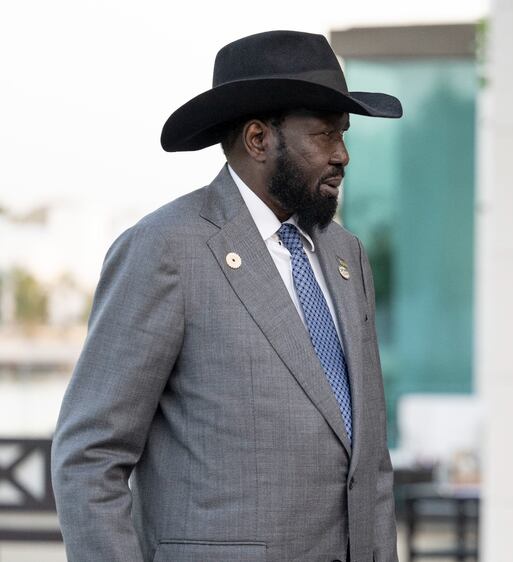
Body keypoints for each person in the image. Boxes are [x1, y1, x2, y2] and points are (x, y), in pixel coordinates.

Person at [51, 30, 402, 562]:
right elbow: (88, 458)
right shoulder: (166, 248)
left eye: (344, 135)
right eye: (325, 135)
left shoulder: (346, 254)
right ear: (259, 139)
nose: (343, 155)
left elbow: (369, 464)